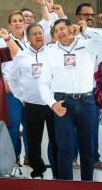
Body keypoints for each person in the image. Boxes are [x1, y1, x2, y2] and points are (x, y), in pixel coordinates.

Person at [39, 18, 102, 181]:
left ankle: (87, 184)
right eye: (56, 30)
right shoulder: (50, 51)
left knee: (87, 149)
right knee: (64, 149)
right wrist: (53, 104)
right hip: (62, 103)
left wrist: (84, 31)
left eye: (62, 28)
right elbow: (43, 83)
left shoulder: (88, 44)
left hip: (87, 102)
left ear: (71, 28)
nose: (59, 32)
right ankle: (65, 185)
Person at [8, 23, 58, 179]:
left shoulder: (52, 53)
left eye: (41, 33)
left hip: (52, 104)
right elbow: (13, 79)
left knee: (56, 140)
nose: (39, 36)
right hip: (32, 104)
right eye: (35, 34)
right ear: (28, 38)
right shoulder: (21, 56)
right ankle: (38, 170)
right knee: (33, 141)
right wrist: (22, 97)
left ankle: (57, 171)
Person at [73, 2, 102, 170]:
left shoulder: (96, 34)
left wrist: (86, 29)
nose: (89, 18)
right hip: (74, 86)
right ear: (78, 17)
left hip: (93, 88)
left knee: (91, 125)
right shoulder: (73, 34)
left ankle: (93, 158)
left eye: (92, 15)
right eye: (86, 15)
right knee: (75, 125)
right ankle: (73, 158)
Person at [0, 11, 28, 166]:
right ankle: (12, 158)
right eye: (14, 21)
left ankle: (29, 157)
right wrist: (3, 79)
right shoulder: (3, 41)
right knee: (13, 125)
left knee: (28, 126)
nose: (17, 23)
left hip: (29, 90)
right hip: (12, 89)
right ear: (9, 25)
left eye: (20, 20)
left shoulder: (30, 41)